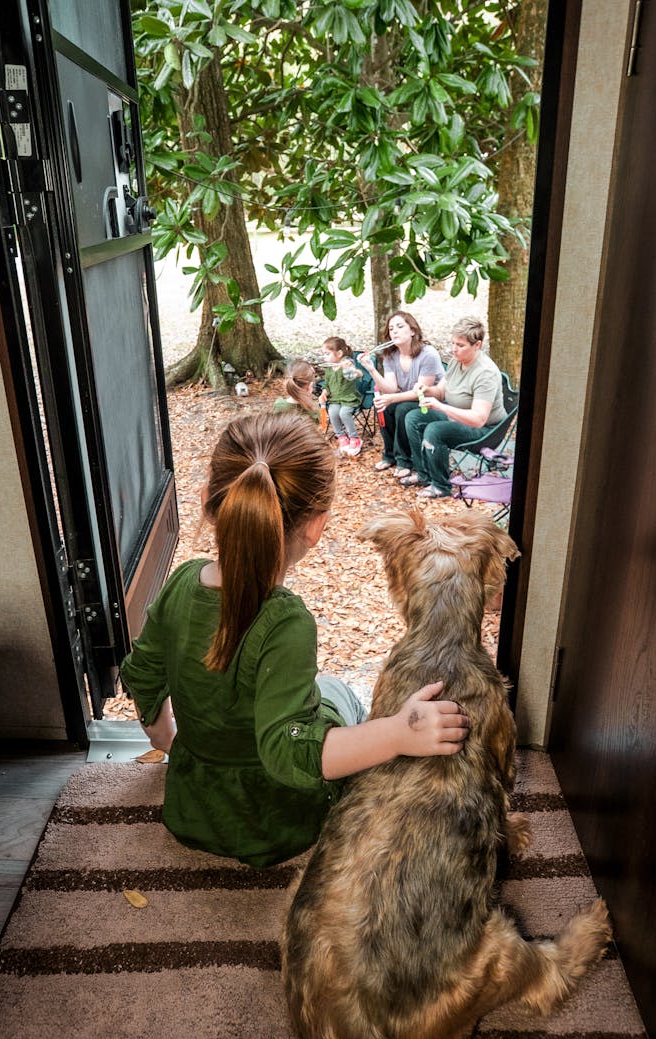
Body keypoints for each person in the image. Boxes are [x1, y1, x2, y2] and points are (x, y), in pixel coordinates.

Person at [120, 414, 469, 869]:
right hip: (276, 823)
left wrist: (172, 745)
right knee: (339, 692)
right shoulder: (286, 623)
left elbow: (143, 677)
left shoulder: (181, 582)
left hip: (193, 810)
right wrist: (399, 733)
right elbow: (292, 754)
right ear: (316, 526)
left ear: (207, 502)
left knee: (315, 691)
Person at [404, 316, 507, 498]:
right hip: (459, 419)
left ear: (477, 345)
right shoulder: (455, 362)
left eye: (460, 345)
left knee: (435, 430)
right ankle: (424, 474)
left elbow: (478, 419)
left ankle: (441, 485)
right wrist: (427, 390)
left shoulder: (485, 373)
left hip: (486, 430)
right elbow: (442, 392)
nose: (453, 349)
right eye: (453, 343)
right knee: (414, 417)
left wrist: (442, 408)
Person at [359, 311, 444, 477]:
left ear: (412, 331)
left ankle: (404, 460)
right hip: (407, 398)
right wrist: (371, 369)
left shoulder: (428, 354)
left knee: (401, 408)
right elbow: (390, 389)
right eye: (391, 329)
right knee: (382, 406)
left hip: (431, 401)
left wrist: (391, 398)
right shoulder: (391, 356)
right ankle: (389, 455)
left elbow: (421, 392)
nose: (394, 331)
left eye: (400, 326)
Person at [318, 336, 364, 457]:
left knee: (344, 413)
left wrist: (349, 368)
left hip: (349, 398)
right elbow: (327, 385)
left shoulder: (347, 364)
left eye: (327, 354)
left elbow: (358, 375)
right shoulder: (328, 369)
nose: (324, 357)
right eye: (323, 354)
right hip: (335, 399)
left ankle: (355, 438)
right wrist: (324, 393)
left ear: (339, 353)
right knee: (333, 412)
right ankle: (342, 437)